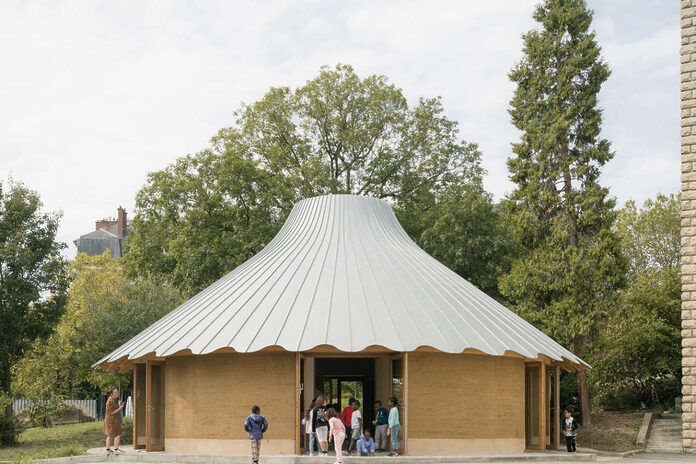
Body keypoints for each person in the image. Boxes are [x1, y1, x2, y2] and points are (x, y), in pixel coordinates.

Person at [103, 386, 125, 455]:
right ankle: (115, 449)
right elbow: (111, 412)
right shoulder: (110, 401)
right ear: (111, 394)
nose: (117, 394)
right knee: (117, 434)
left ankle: (108, 449)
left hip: (114, 421)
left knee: (111, 435)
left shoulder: (113, 400)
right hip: (112, 421)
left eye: (117, 392)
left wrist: (119, 404)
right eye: (115, 392)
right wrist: (120, 408)